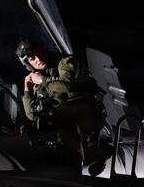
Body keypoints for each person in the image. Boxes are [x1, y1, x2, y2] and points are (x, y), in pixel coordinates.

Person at [15, 39, 108, 170]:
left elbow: (67, 85)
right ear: (28, 64)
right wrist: (27, 90)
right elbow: (31, 116)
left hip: (82, 113)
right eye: (32, 58)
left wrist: (40, 80)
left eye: (40, 53)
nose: (38, 59)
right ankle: (99, 153)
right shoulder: (40, 78)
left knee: (71, 148)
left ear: (46, 50)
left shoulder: (66, 62)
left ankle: (75, 169)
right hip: (60, 121)